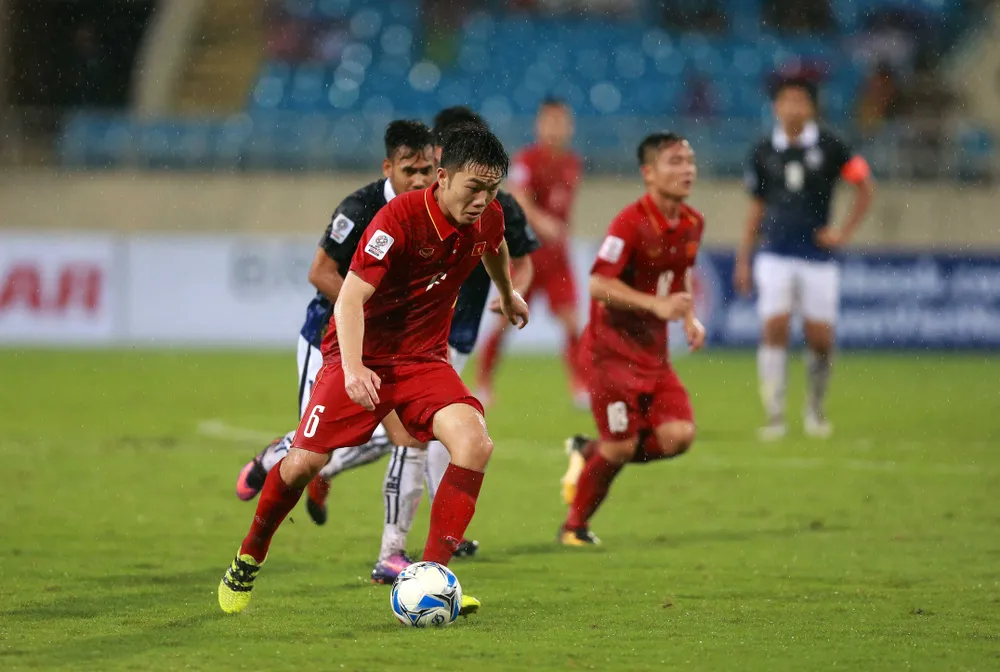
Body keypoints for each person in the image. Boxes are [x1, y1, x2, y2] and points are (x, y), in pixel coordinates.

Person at [219, 123, 530, 616]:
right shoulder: (397, 219)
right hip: (361, 354)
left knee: (475, 443)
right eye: (473, 188)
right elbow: (348, 298)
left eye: (492, 190)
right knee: (301, 465)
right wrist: (354, 368)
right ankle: (248, 556)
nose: (482, 201)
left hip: (424, 359)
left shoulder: (487, 215)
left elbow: (495, 246)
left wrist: (508, 293)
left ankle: (434, 578)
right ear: (444, 178)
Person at [559, 132, 705, 546]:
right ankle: (574, 527)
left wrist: (689, 317)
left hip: (653, 356)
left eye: (689, 160)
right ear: (649, 173)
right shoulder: (630, 223)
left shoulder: (693, 223)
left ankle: (590, 452)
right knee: (620, 448)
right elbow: (597, 284)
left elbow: (679, 275)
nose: (687, 169)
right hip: (610, 355)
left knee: (679, 436)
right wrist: (654, 305)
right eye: (674, 161)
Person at [734, 77, 875, 440]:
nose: (793, 108)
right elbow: (756, 207)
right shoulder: (763, 150)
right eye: (786, 101)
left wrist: (843, 233)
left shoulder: (831, 146)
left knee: (820, 339)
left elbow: (864, 185)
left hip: (817, 255)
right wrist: (743, 258)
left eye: (800, 101)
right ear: (776, 107)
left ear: (811, 108)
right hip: (775, 252)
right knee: (774, 327)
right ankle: (774, 415)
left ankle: (815, 408)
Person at [477, 98, 586, 407]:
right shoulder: (527, 160)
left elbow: (564, 209)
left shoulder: (572, 163)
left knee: (572, 322)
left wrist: (562, 230)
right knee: (504, 319)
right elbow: (520, 199)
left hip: (557, 258)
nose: (555, 128)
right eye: (550, 121)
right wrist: (544, 222)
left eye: (561, 122)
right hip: (527, 254)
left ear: (570, 126)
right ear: (539, 125)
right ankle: (483, 383)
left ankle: (580, 385)